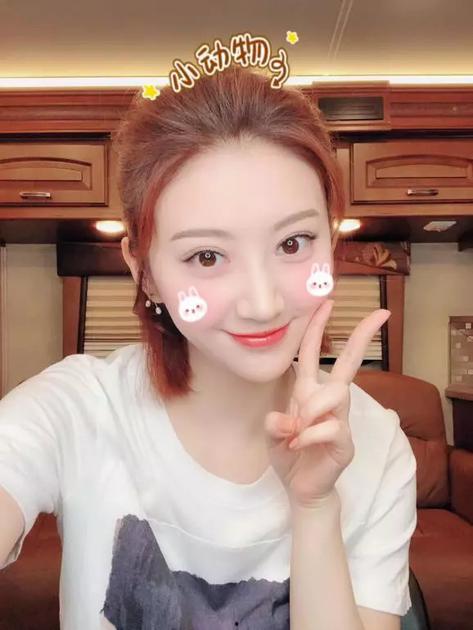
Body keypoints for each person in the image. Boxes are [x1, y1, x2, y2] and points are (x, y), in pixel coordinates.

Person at [0, 64, 417, 629]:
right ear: (145, 272)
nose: (263, 303)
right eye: (206, 256)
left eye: (293, 243)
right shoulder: (78, 408)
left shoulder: (378, 445)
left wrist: (315, 508)